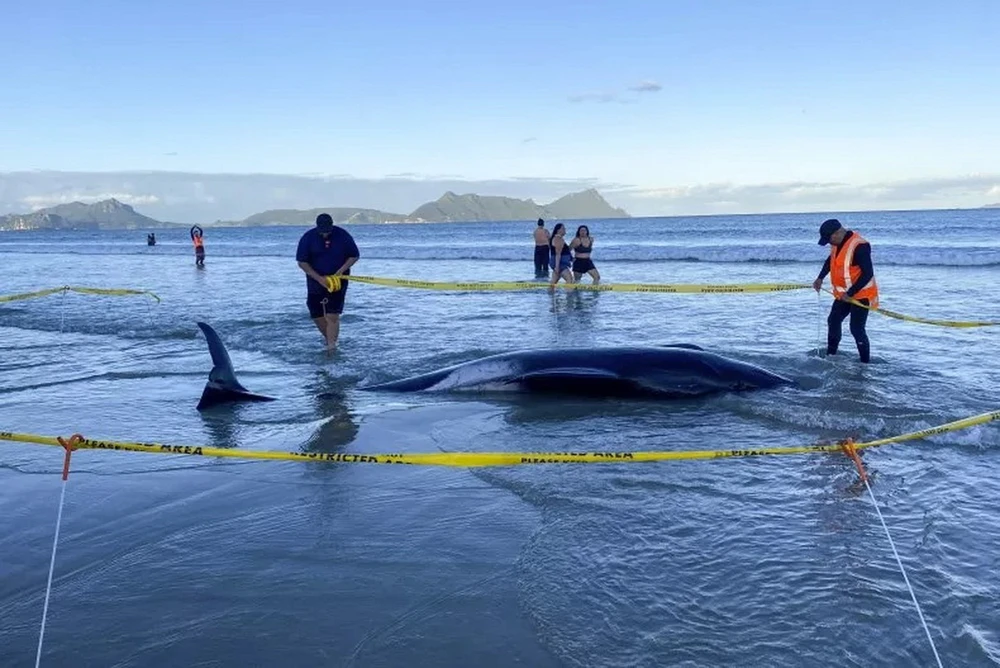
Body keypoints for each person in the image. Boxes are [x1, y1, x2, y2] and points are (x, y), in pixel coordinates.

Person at [812, 218, 878, 363]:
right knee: (833, 321)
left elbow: (868, 273)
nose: (829, 243)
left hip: (861, 294)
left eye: (829, 239)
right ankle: (831, 356)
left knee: (856, 329)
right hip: (844, 295)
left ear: (837, 233)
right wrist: (820, 278)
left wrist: (851, 293)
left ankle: (865, 363)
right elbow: (830, 261)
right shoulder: (837, 243)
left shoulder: (860, 246)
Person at [296, 213, 360, 353]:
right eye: (322, 232)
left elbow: (354, 255)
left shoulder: (342, 235)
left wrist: (341, 271)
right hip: (315, 278)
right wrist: (319, 279)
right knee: (315, 312)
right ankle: (329, 338)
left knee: (332, 314)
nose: (325, 234)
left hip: (338, 279)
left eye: (328, 231)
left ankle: (331, 347)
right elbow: (302, 262)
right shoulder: (308, 237)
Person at [548, 223, 574, 288]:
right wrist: (557, 267)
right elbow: (558, 254)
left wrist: (571, 258)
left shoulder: (558, 238)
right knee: (569, 279)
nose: (565, 230)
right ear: (558, 230)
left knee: (553, 282)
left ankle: (550, 296)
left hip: (559, 262)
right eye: (563, 228)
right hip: (560, 263)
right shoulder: (558, 239)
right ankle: (569, 296)